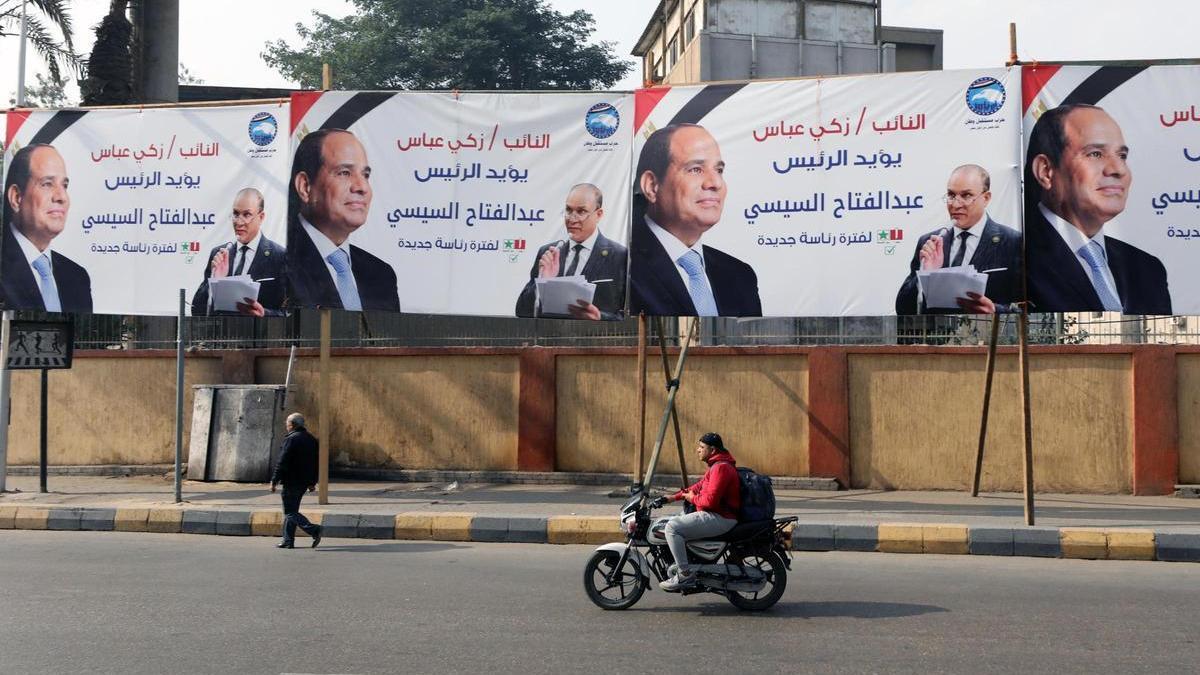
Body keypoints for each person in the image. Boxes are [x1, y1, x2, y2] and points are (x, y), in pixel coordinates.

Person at [1025, 103, 1171, 314]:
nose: (1118, 169)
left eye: (1122, 156)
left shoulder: (1147, 268)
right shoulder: (1014, 259)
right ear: (1046, 171)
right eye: (1095, 154)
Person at [630, 124, 762, 317]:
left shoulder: (740, 276)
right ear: (652, 186)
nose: (715, 183)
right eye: (695, 169)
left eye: (719, 170)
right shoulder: (621, 269)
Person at [287, 128, 400, 312]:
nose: (362, 187)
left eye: (366, 175)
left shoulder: (381, 275)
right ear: (305, 187)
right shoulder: (277, 264)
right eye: (344, 173)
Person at [895, 164, 1022, 315]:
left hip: (988, 336)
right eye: (951, 195)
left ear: (986, 198)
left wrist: (995, 311)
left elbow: (1030, 308)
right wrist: (925, 274)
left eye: (966, 195)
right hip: (936, 337)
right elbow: (903, 309)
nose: (955, 204)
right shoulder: (929, 243)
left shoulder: (1013, 242)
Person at [514, 183, 628, 320]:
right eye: (568, 210)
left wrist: (599, 317)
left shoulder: (620, 256)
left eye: (581, 212)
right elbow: (522, 311)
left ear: (598, 214)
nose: (571, 219)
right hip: (549, 339)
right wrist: (543, 281)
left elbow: (628, 317)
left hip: (594, 339)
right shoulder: (549, 253)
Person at [1, 143, 92, 313]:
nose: (61, 197)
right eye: (47, 184)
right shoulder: (3, 266)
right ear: (16, 197)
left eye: (64, 185)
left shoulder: (77, 277)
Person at [658, 432, 741, 592]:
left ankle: (685, 574)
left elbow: (710, 501)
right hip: (716, 514)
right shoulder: (717, 465)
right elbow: (699, 486)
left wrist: (691, 499)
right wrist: (673, 497)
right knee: (676, 519)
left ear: (713, 450)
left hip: (720, 517)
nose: (698, 450)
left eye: (702, 447)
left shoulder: (721, 468)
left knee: (672, 527)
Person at [191, 188, 287, 316]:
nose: (238, 222)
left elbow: (289, 314)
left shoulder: (280, 257)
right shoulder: (219, 254)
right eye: (236, 214)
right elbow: (197, 311)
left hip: (260, 334)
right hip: (222, 335)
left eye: (246, 215)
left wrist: (264, 314)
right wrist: (214, 281)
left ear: (261, 217)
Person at [270, 412, 323, 549]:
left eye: (287, 424)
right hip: (304, 482)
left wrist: (274, 480)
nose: (286, 427)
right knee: (292, 510)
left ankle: (313, 529)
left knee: (289, 512)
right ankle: (288, 540)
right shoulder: (311, 439)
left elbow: (282, 462)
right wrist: (312, 482)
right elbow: (316, 463)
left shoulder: (291, 439)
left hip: (292, 481)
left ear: (292, 425)